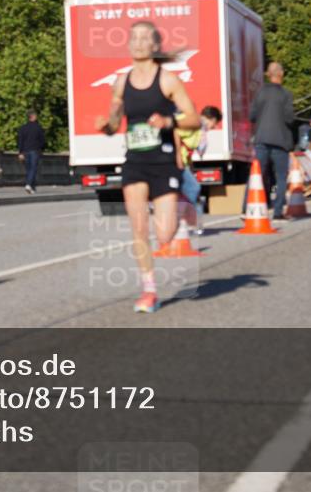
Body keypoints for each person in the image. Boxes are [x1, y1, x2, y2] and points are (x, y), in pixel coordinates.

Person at [95, 21, 200, 313]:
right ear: (128, 45)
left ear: (155, 46)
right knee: (138, 228)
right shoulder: (121, 82)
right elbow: (115, 122)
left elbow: (193, 118)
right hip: (135, 162)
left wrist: (169, 122)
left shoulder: (167, 80)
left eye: (145, 38)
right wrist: (106, 127)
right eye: (134, 38)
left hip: (164, 161)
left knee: (165, 235)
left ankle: (183, 201)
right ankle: (149, 290)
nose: (139, 42)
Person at [244, 62, 294, 222]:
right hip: (280, 140)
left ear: (268, 74)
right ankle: (278, 212)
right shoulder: (286, 94)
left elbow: (252, 116)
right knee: (280, 177)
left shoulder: (260, 93)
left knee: (256, 175)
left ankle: (246, 209)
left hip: (261, 139)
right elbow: (289, 118)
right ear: (281, 74)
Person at [174, 105, 222, 235]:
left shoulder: (199, 128)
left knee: (187, 191)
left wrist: (189, 166)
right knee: (193, 189)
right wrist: (178, 156)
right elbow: (176, 132)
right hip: (174, 161)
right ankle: (187, 221)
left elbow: (189, 148)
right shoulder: (195, 123)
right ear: (211, 119)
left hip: (182, 162)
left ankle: (188, 222)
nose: (214, 127)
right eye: (215, 123)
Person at [17, 110, 46, 194]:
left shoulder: (23, 128)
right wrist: (41, 149)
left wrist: (20, 152)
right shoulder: (38, 127)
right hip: (34, 150)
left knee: (29, 169)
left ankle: (32, 188)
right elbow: (42, 141)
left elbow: (20, 141)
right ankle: (29, 184)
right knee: (33, 168)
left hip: (25, 151)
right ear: (33, 117)